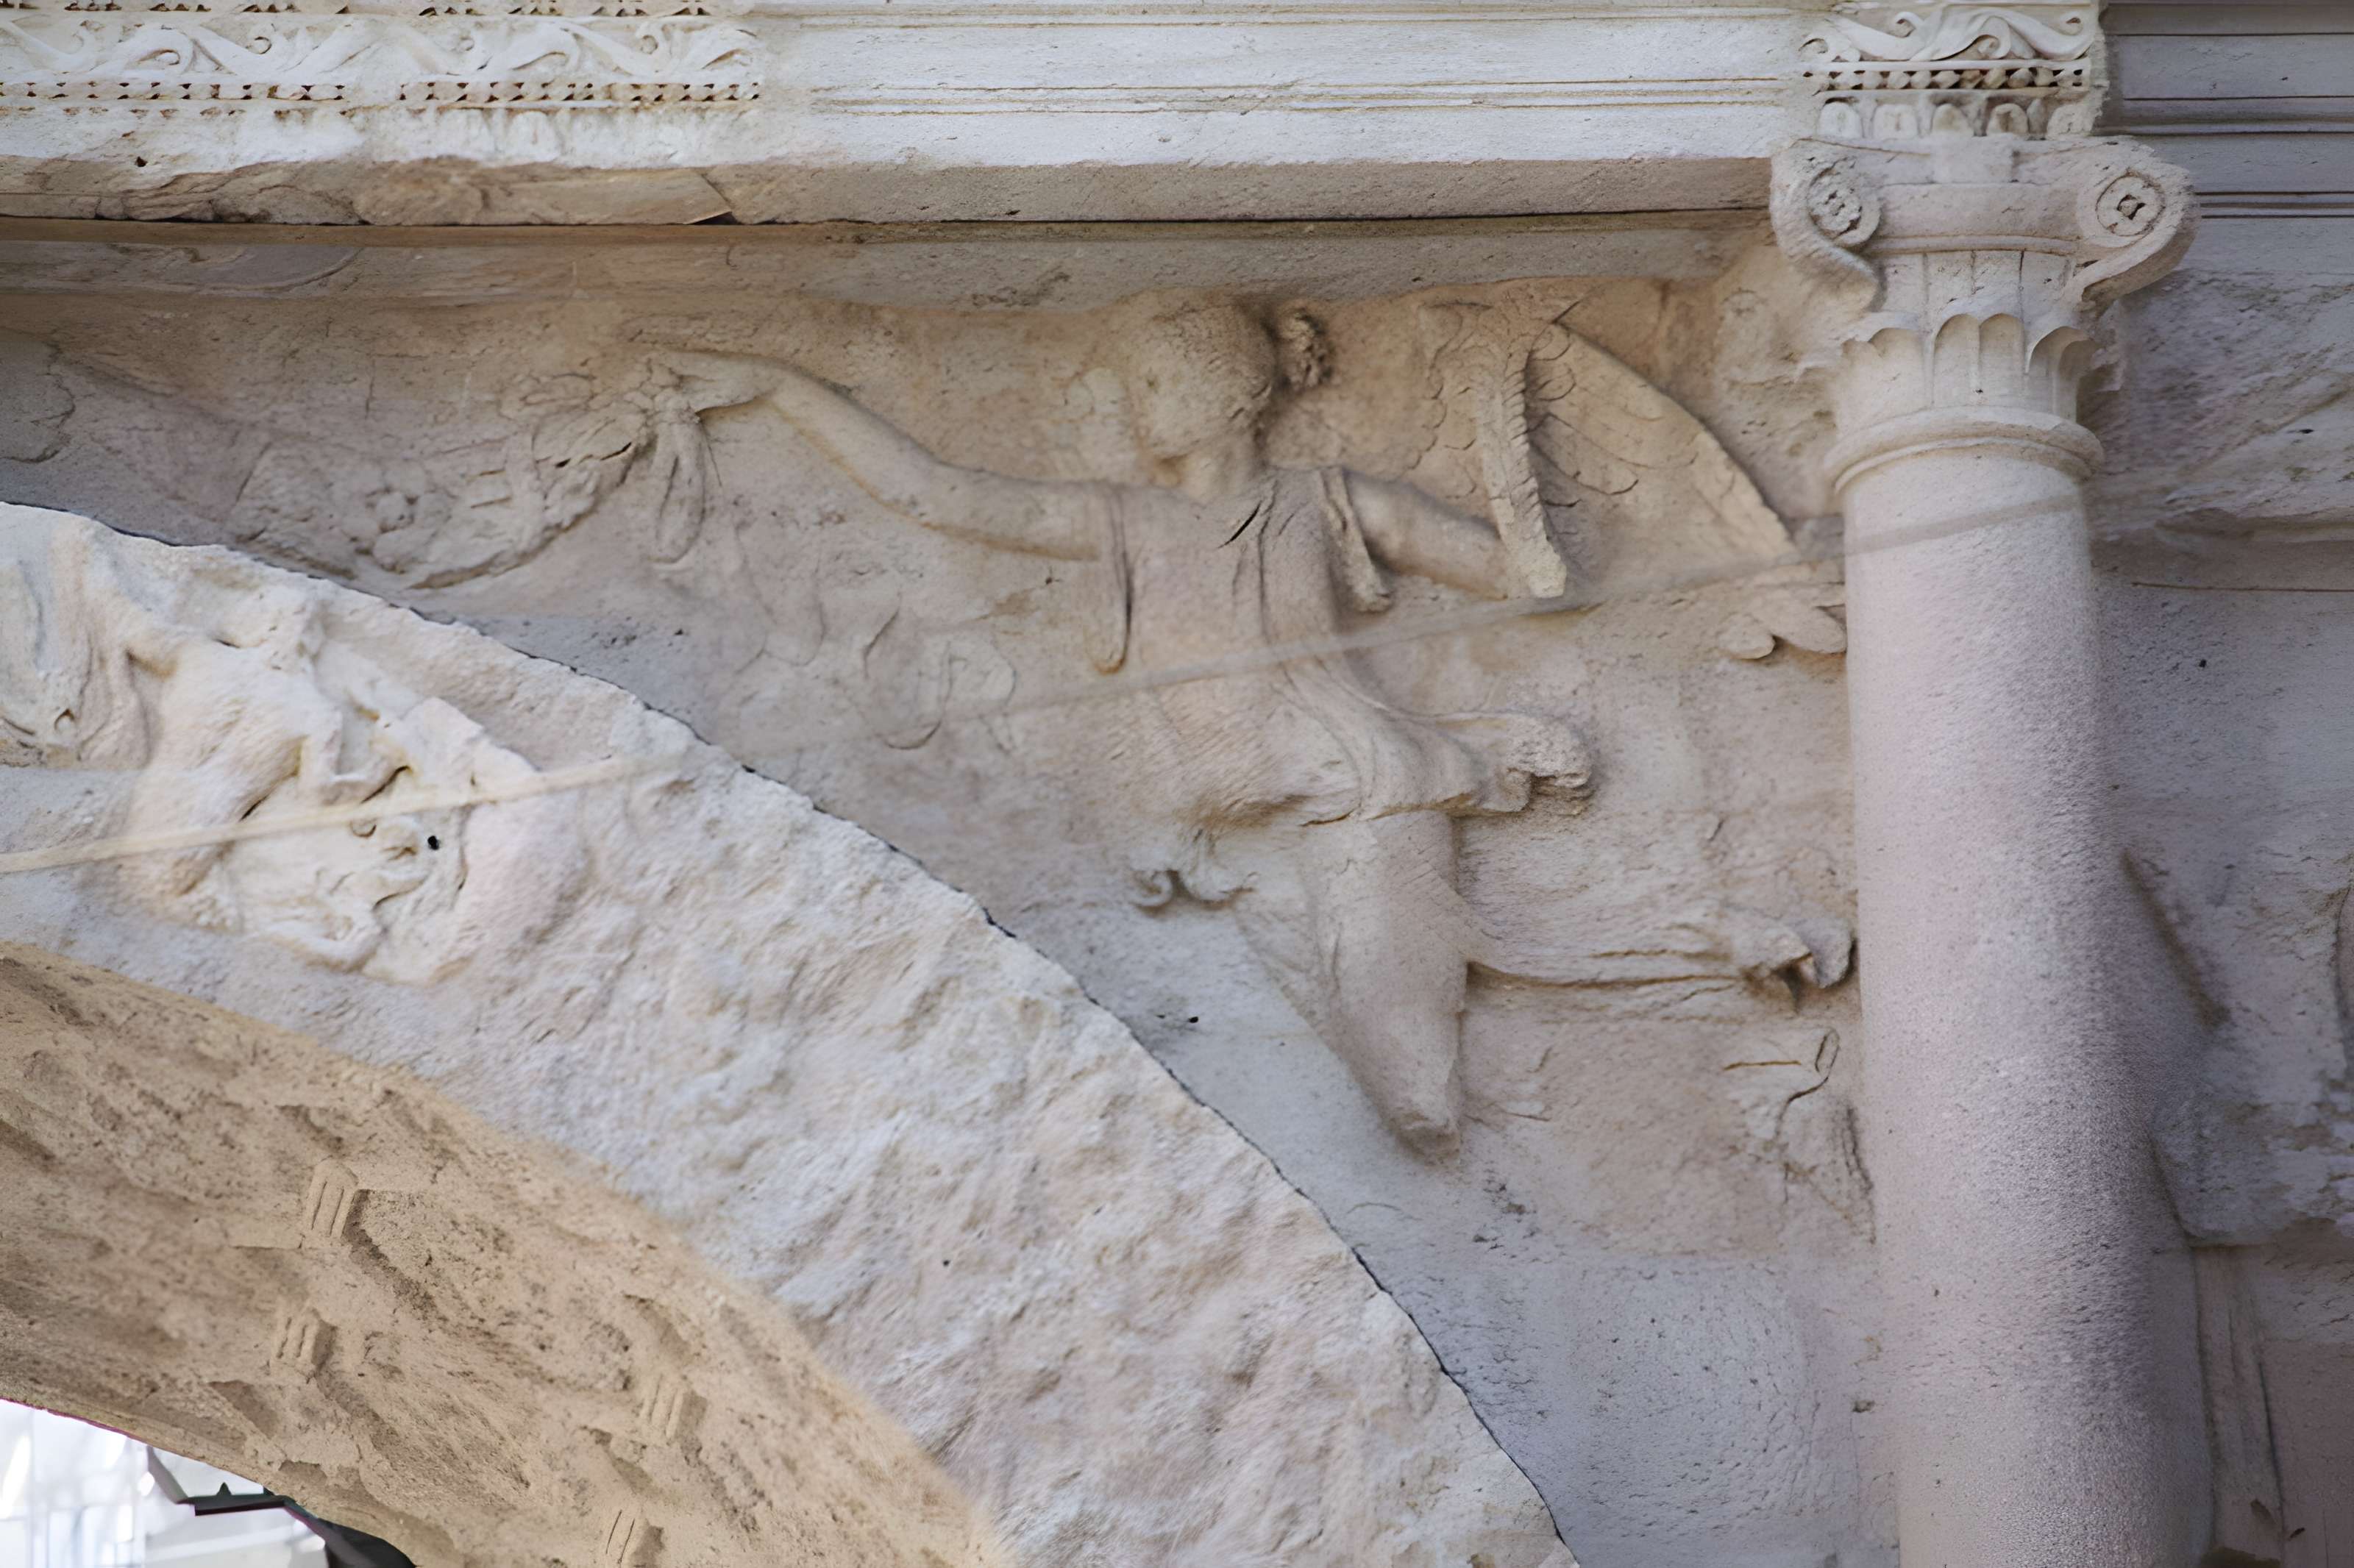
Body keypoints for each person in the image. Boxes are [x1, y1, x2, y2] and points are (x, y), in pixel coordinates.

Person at [680, 299, 1584, 1154]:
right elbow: (939, 496)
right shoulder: (1126, 520)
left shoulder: (1334, 504)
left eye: (1155, 384)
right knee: (1335, 1048)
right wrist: (782, 390)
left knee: (1412, 1087)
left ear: (1229, 392)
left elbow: (1509, 575)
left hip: (1361, 786)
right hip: (1216, 808)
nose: (1139, 406)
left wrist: (1531, 560)